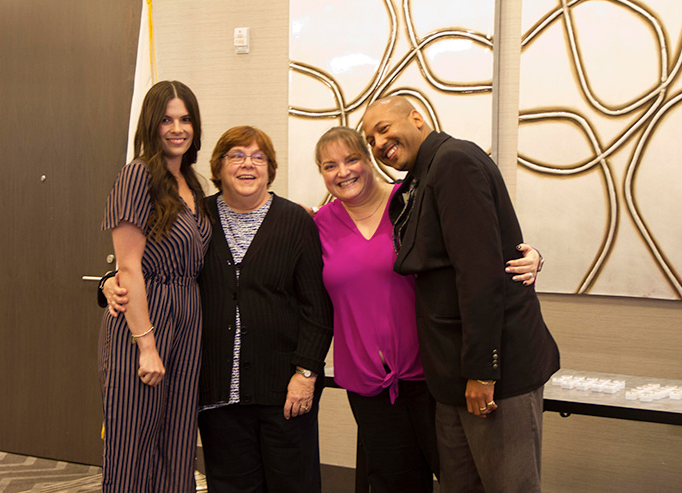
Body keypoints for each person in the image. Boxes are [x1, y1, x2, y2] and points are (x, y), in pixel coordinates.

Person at [312, 126, 545, 492]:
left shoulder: (409, 203)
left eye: (352, 158)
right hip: (367, 382)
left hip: (432, 373)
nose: (343, 172)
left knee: (468, 478)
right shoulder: (317, 225)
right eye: (330, 165)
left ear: (369, 160)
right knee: (394, 481)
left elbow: (475, 246)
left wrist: (531, 255)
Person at [104, 126, 333, 492]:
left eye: (259, 157)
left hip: (284, 392)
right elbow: (154, 265)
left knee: (294, 485)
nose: (248, 164)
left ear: (270, 169)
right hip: (216, 393)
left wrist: (306, 375)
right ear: (219, 165)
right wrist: (109, 281)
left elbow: (317, 308)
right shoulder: (198, 217)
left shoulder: (295, 222)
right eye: (237, 155)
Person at [361, 96, 560, 493]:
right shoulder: (419, 179)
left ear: (417, 119)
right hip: (452, 373)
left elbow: (480, 274)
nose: (379, 143)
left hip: (491, 372)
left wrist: (482, 371)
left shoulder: (454, 162)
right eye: (370, 140)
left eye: (383, 129)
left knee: (509, 486)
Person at [98, 80, 212, 492]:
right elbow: (128, 268)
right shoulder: (137, 176)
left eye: (185, 119)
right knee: (133, 446)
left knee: (177, 444)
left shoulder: (192, 183)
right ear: (151, 123)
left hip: (188, 319)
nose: (177, 128)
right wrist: (146, 345)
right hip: (146, 321)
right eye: (166, 119)